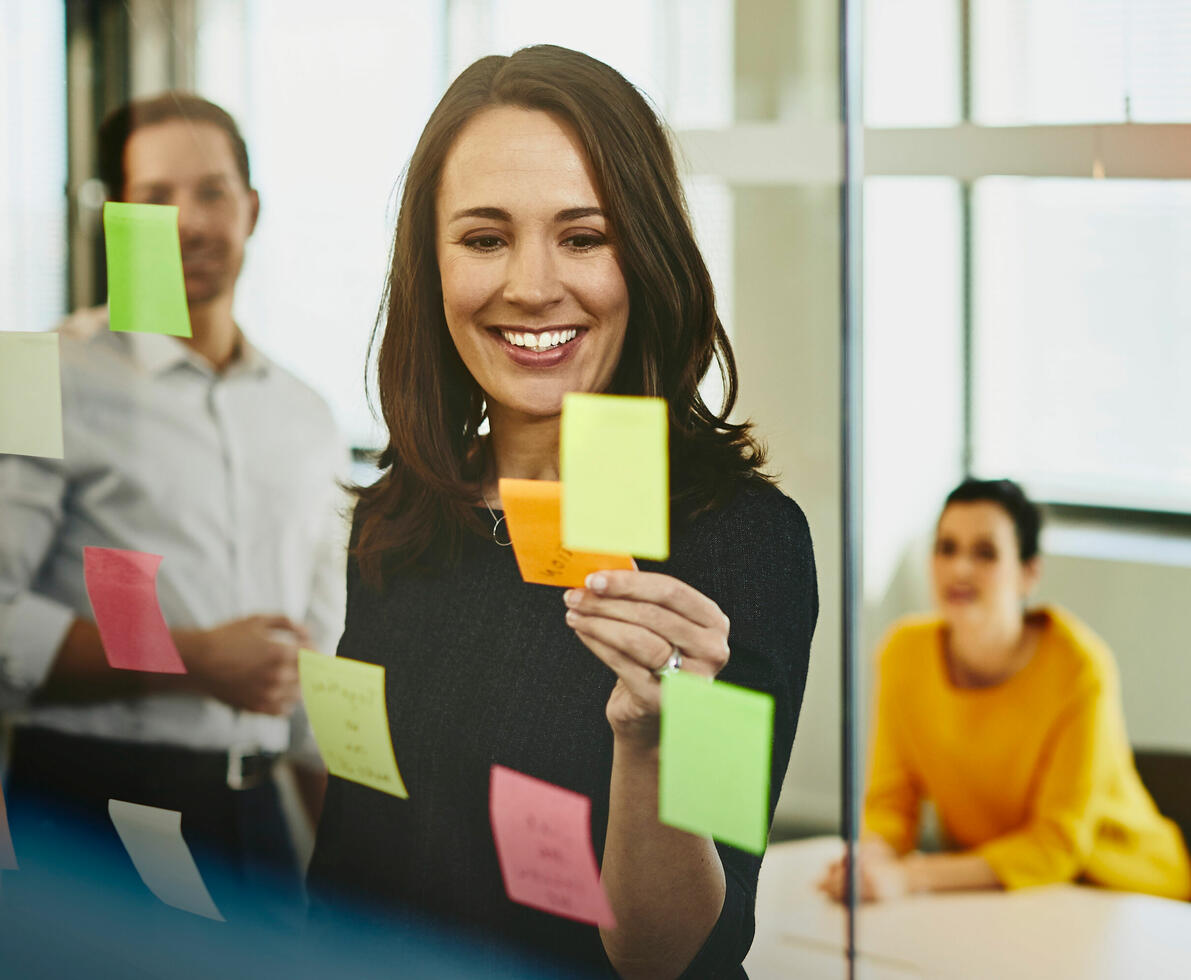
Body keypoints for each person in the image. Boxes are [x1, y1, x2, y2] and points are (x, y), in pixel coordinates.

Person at [303, 45, 818, 978]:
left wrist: (650, 742)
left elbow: (675, 954)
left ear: (647, 257)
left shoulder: (737, 544)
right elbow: (354, 856)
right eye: (485, 238)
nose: (532, 286)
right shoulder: (403, 517)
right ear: (431, 265)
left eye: (583, 237)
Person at [0, 93, 347, 912]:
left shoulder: (307, 415)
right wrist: (194, 657)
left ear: (251, 209)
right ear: (114, 216)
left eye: (212, 192)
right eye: (154, 197)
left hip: (257, 815)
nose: (188, 222)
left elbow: (318, 667)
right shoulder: (33, 374)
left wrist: (351, 880)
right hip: (86, 816)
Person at [819, 478, 1191, 903]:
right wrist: (870, 861)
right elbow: (891, 804)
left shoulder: (1079, 666)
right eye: (947, 548)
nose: (959, 568)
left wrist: (910, 877)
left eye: (985, 553)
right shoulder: (903, 652)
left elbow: (1056, 845)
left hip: (1125, 894)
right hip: (1000, 895)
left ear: (1029, 573)